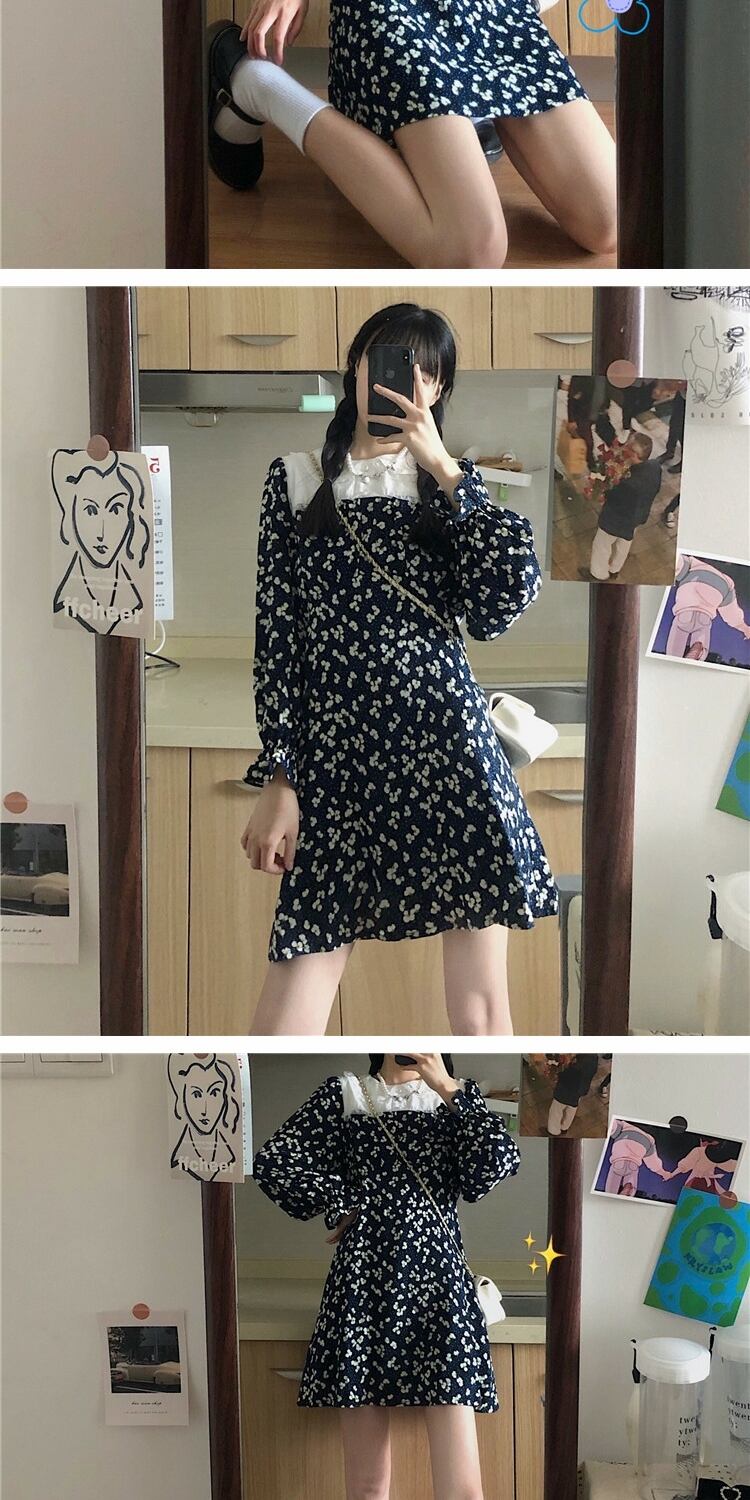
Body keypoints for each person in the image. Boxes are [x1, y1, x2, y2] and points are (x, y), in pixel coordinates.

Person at [240, 303, 558, 1036]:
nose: (399, 382)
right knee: (288, 1009)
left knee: (482, 1012)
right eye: (384, 362)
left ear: (438, 389)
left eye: (423, 372)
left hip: (446, 749)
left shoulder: (451, 486)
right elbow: (278, 641)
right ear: (355, 370)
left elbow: (503, 603)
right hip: (337, 759)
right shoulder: (295, 479)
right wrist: (282, 777)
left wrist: (446, 470)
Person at [252, 1053, 521, 1500]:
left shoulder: (455, 1097)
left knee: (464, 1491)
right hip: (362, 1283)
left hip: (440, 1287)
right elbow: (273, 1162)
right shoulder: (345, 1094)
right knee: (367, 1486)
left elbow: (496, 1164)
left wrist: (448, 1087)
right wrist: (341, 1200)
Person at [205, 5, 616, 269]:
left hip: (495, 10)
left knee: (611, 223)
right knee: (472, 250)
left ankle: (466, 113)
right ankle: (257, 85)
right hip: (392, 7)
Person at [587, 433, 663, 581]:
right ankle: (615, 569)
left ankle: (599, 574)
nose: (624, 448)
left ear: (634, 454)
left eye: (627, 447)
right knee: (624, 543)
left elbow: (611, 496)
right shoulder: (654, 466)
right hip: (638, 516)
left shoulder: (630, 485)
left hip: (617, 520)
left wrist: (602, 487)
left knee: (601, 545)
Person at [603, 1119, 671, 1197]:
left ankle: (610, 1195)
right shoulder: (650, 1140)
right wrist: (664, 1173)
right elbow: (654, 1163)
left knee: (611, 1188)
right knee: (631, 1179)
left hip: (618, 1161)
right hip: (634, 1164)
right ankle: (629, 1185)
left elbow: (612, 1125)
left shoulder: (623, 1126)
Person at [545, 1053, 600, 1136]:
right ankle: (564, 1127)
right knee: (571, 1109)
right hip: (580, 1090)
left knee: (556, 1110)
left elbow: (568, 1075)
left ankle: (553, 1131)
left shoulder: (578, 1066)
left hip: (566, 1089)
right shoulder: (593, 1057)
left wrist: (557, 1073)